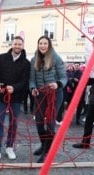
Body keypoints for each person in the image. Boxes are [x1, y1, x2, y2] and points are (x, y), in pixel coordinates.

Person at [0, 36, 30, 163]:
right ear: (12, 44)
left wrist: (14, 88)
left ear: (23, 46)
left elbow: (25, 81)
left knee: (13, 123)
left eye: (20, 44)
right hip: (1, 96)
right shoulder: (2, 58)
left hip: (16, 97)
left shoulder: (26, 63)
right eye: (15, 44)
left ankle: (10, 146)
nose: (17, 46)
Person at [29, 35, 67, 163]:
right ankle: (44, 144)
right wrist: (33, 88)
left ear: (49, 45)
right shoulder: (34, 59)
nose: (43, 45)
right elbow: (32, 80)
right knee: (39, 121)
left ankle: (47, 151)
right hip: (40, 94)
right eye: (40, 43)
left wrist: (57, 84)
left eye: (45, 43)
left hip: (55, 95)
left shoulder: (56, 58)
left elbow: (64, 77)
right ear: (38, 45)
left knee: (50, 122)